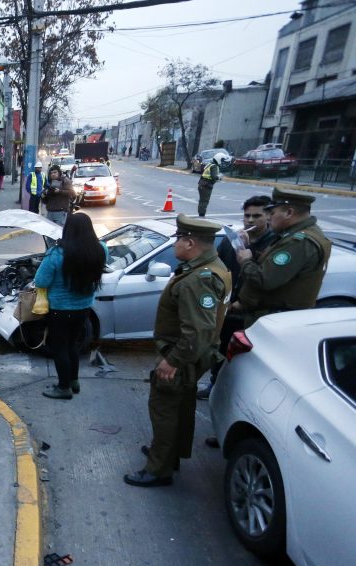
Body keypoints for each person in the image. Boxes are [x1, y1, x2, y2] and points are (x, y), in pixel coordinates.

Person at [125, 215, 231, 488]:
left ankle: (159, 469)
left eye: (178, 240)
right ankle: (169, 454)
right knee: (180, 408)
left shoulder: (199, 279)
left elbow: (197, 330)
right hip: (193, 355)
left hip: (182, 355)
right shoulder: (211, 267)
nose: (175, 246)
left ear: (190, 242)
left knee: (164, 410)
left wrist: (173, 361)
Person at [198, 195, 276, 401]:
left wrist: (249, 252)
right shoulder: (231, 240)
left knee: (244, 359)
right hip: (227, 308)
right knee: (221, 349)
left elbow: (266, 279)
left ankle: (239, 394)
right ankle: (215, 384)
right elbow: (217, 266)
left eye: (256, 216)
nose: (250, 220)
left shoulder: (273, 244)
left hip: (251, 314)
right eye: (247, 216)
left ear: (268, 217)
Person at [33, 212, 107, 400]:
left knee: (60, 348)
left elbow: (40, 281)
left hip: (59, 310)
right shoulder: (101, 249)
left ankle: (63, 387)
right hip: (83, 308)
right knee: (72, 345)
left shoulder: (56, 254)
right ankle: (73, 381)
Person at [234, 187, 332, 327]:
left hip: (274, 319)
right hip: (276, 316)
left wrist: (245, 261)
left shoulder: (298, 242)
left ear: (289, 213)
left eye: (272, 213)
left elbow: (264, 279)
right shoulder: (300, 234)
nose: (268, 218)